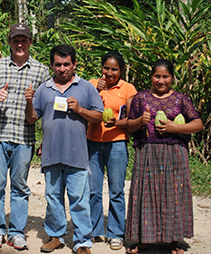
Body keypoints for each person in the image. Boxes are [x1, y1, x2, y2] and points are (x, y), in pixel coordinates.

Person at [25, 44, 104, 254]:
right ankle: (56, 236)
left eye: (66, 64)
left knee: (79, 200)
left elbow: (99, 116)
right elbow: (32, 118)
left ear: (74, 64)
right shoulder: (44, 89)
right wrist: (29, 102)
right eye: (58, 65)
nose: (62, 69)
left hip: (77, 154)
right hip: (51, 154)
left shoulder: (86, 87)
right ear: (52, 65)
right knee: (53, 199)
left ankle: (83, 242)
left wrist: (79, 109)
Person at [125, 59, 203, 254]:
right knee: (146, 194)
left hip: (174, 152)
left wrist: (174, 127)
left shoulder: (181, 99)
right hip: (147, 152)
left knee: (173, 195)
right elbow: (129, 125)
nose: (161, 81)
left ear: (172, 78)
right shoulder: (141, 98)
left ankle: (173, 241)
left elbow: (198, 124)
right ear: (151, 77)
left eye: (165, 77)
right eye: (157, 76)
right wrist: (139, 121)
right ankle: (145, 240)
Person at [0, 23, 50, 250]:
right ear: (10, 42)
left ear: (30, 42)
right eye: (15, 40)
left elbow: (42, 111)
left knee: (20, 186)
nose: (19, 44)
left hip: (25, 137)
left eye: (24, 40)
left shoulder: (41, 70)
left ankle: (16, 232)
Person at [87, 52, 137, 250]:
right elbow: (83, 107)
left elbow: (133, 119)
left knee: (116, 190)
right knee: (93, 190)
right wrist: (94, 90)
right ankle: (94, 230)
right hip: (92, 142)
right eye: (106, 68)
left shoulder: (128, 89)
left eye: (114, 69)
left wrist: (118, 122)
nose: (109, 73)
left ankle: (116, 233)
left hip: (117, 143)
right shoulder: (91, 83)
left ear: (121, 70)